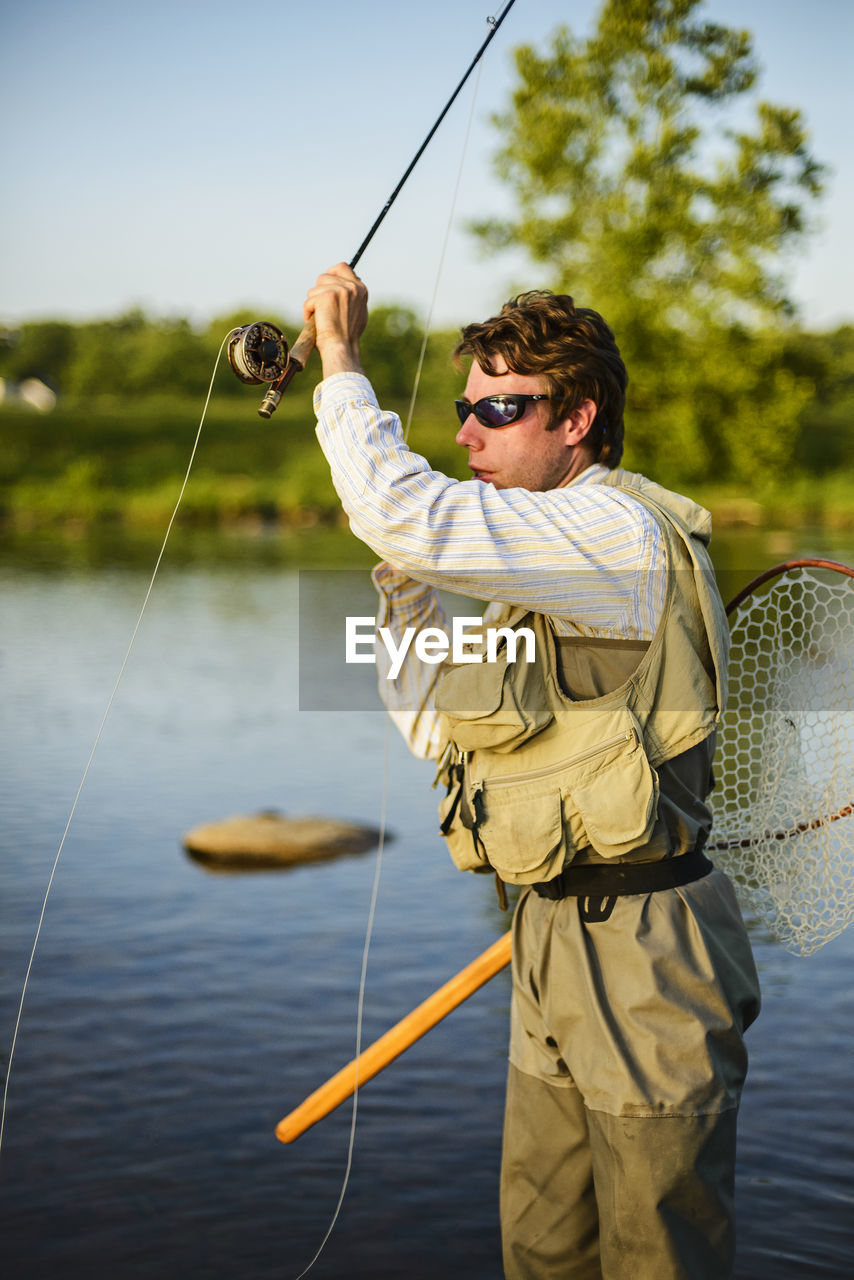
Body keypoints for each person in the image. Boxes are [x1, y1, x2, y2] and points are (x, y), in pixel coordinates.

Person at [303, 262, 761, 1280]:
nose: (466, 435)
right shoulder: (534, 577)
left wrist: (339, 357)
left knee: (656, 1252)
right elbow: (433, 726)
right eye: (465, 410)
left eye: (498, 408)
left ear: (576, 419)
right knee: (543, 1245)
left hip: (650, 954)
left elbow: (397, 505)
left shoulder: (611, 534)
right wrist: (406, 594)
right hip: (544, 932)